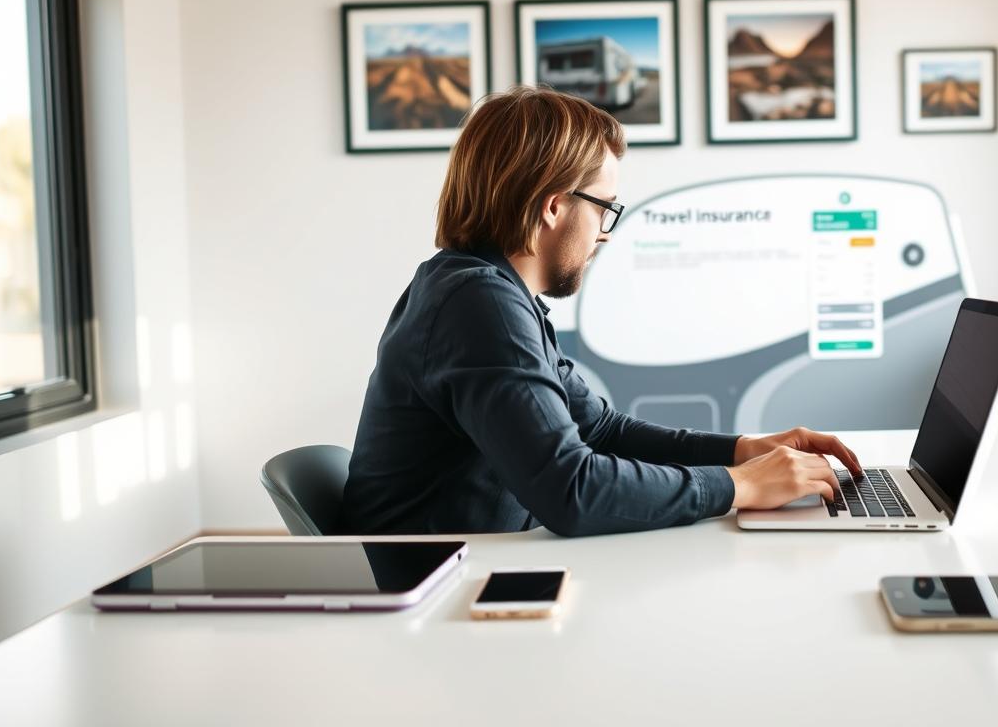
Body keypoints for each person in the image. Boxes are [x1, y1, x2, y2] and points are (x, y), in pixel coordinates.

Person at [342, 85, 862, 537]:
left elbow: (601, 431)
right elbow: (570, 490)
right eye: (605, 208)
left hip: (479, 565)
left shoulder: (484, 290)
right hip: (443, 591)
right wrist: (739, 486)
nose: (605, 233)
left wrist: (743, 451)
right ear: (553, 206)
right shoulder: (477, 303)